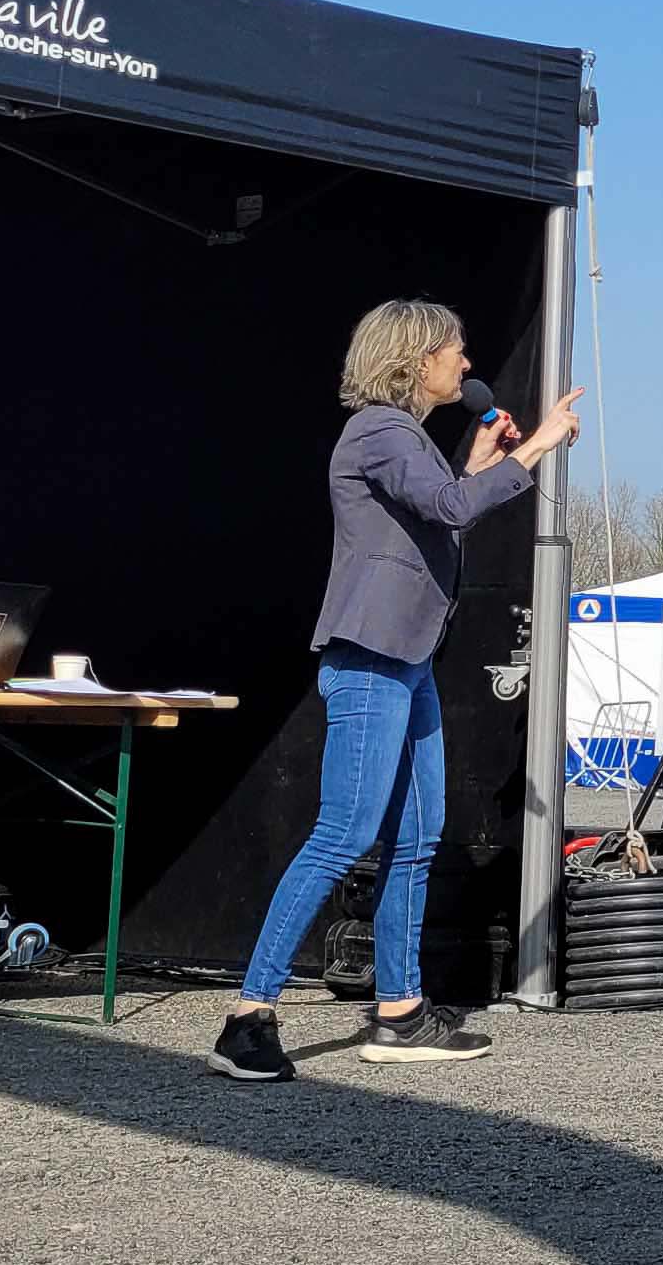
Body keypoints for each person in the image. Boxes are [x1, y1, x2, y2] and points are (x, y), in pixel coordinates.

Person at [211, 301, 580, 1082]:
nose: (466, 362)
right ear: (415, 361)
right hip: (372, 656)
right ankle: (248, 1016)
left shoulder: (405, 439)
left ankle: (400, 1012)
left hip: (406, 658)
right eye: (456, 349)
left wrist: (479, 467)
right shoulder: (380, 430)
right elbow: (445, 509)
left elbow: (436, 512)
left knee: (417, 838)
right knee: (345, 834)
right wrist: (536, 448)